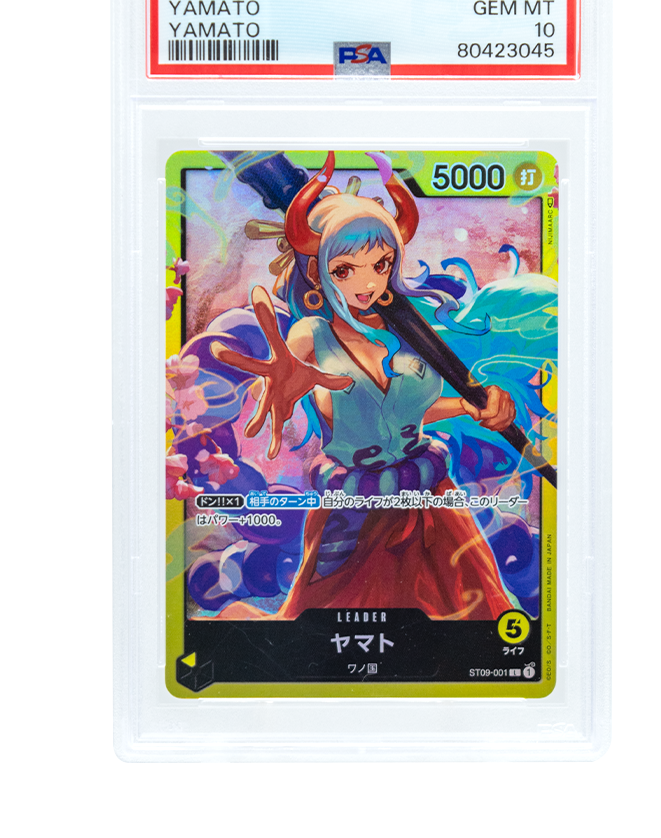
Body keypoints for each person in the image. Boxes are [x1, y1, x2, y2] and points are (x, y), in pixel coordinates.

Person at [210, 152, 518, 619]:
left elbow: (407, 412)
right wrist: (285, 380)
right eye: (345, 269)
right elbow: (286, 376)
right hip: (355, 517)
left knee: (472, 625)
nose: (367, 283)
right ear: (318, 271)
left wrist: (473, 407)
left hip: (432, 503)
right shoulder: (312, 335)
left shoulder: (409, 331)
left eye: (380, 263)